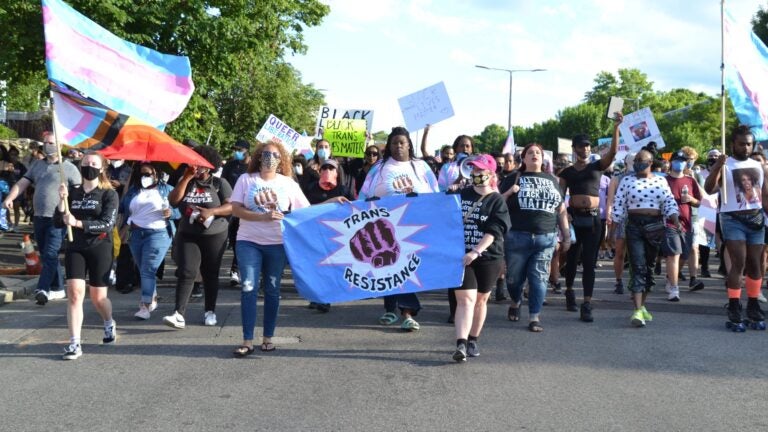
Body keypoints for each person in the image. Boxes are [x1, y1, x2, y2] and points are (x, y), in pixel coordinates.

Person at [230, 140, 310, 357]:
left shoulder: (289, 183)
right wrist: (261, 216)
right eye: (265, 154)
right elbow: (235, 210)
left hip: (276, 244)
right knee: (248, 287)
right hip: (248, 241)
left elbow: (306, 212)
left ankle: (268, 338)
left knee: (273, 290)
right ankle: (247, 341)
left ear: (281, 159)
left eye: (275, 155)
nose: (269, 158)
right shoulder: (246, 180)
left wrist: (332, 202)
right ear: (258, 157)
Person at [359, 126, 439, 331]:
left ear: (409, 145)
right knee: (387, 266)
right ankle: (390, 308)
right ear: (389, 146)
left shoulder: (421, 167)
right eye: (394, 143)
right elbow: (363, 195)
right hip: (386, 227)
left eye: (402, 142)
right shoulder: (379, 167)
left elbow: (436, 194)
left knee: (407, 267)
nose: (398, 146)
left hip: (414, 227)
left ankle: (408, 312)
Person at [2, 132, 81, 305]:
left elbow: (78, 192)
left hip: (58, 218)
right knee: (47, 255)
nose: (47, 145)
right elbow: (23, 183)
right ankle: (59, 288)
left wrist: (72, 211)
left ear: (60, 145)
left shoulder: (69, 168)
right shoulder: (37, 164)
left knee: (51, 253)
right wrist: (9, 198)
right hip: (39, 217)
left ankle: (42, 288)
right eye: (45, 142)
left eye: (51, 142)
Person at [54, 152, 119, 359]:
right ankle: (75, 344)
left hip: (100, 247)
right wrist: (61, 201)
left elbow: (107, 224)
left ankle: (108, 322)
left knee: (98, 298)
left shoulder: (109, 194)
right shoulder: (72, 192)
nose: (88, 166)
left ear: (101, 169)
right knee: (74, 293)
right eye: (85, 163)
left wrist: (79, 223)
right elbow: (57, 221)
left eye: (93, 163)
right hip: (75, 246)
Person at [558, 113, 622, 321]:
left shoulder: (597, 167)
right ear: (574, 149)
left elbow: (612, 153)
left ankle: (587, 303)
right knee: (572, 259)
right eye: (580, 146)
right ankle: (569, 290)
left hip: (594, 221)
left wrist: (616, 127)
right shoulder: (566, 172)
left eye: (587, 146)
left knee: (589, 262)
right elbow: (560, 197)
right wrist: (564, 215)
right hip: (575, 220)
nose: (584, 149)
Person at [705, 125, 768, 331]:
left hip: (756, 218)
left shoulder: (759, 166)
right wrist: (717, 167)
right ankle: (734, 306)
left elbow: (764, 196)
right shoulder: (726, 165)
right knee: (738, 263)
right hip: (732, 218)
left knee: (755, 264)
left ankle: (752, 304)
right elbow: (709, 189)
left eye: (749, 144)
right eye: (742, 144)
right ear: (733, 144)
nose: (746, 148)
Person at [500, 143, 569, 332]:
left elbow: (561, 210)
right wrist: (508, 192)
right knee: (514, 279)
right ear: (523, 159)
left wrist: (567, 235)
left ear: (543, 158)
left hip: (545, 238)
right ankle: (516, 301)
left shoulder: (552, 180)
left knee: (539, 279)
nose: (535, 155)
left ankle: (534, 317)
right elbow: (499, 203)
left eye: (538, 152)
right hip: (516, 237)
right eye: (530, 153)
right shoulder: (513, 178)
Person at [163, 146, 232, 329]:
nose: (196, 167)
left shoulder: (219, 183)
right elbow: (173, 200)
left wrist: (212, 211)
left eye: (200, 164)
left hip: (214, 234)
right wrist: (186, 177)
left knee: (210, 273)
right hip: (188, 233)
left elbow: (231, 207)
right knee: (187, 271)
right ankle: (179, 313)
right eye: (194, 162)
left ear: (209, 166)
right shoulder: (186, 180)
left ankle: (210, 311)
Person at [450, 154, 510, 361]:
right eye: (474, 169)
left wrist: (476, 251)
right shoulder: (461, 194)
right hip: (462, 256)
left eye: (480, 170)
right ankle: (461, 344)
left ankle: (473, 339)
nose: (476, 173)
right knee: (465, 299)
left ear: (491, 173)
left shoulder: (497, 200)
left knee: (480, 300)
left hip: (488, 256)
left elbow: (495, 230)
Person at [612, 149, 679, 327]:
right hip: (634, 226)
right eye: (636, 161)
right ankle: (637, 310)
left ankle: (642, 306)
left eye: (641, 161)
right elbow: (618, 204)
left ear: (650, 162)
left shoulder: (660, 180)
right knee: (638, 266)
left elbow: (669, 202)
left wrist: (675, 220)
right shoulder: (626, 180)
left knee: (649, 268)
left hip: (655, 226)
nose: (638, 164)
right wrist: (613, 230)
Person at [119, 162, 177, 320]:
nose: (145, 177)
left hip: (159, 234)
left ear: (157, 174)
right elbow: (122, 208)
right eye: (141, 174)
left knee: (147, 269)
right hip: (136, 234)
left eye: (148, 174)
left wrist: (170, 213)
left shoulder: (167, 190)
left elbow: (179, 211)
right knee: (142, 268)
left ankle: (144, 305)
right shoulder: (133, 191)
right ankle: (152, 296)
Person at [303, 158, 355, 313]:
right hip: (314, 232)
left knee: (329, 267)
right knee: (314, 266)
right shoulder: (311, 188)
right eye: (324, 167)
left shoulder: (344, 190)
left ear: (337, 172)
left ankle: (326, 298)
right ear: (319, 171)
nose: (327, 171)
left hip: (335, 234)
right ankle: (316, 296)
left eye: (331, 168)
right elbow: (304, 209)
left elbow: (353, 211)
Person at [663, 151, 704, 301]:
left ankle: (670, 278)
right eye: (677, 160)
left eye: (682, 160)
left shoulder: (690, 180)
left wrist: (691, 199)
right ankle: (674, 288)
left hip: (687, 223)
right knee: (674, 254)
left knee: (684, 255)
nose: (679, 163)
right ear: (671, 162)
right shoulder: (663, 180)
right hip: (669, 222)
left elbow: (699, 202)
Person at [221, 139, 252, 286]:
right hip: (230, 206)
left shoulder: (253, 167)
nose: (237, 153)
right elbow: (223, 183)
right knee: (232, 239)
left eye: (240, 150)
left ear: (247, 151)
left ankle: (236, 269)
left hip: (246, 208)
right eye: (235, 150)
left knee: (241, 239)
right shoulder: (230, 165)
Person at [606, 153, 636, 294]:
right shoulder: (617, 179)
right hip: (621, 219)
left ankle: (636, 281)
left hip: (638, 219)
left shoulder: (645, 178)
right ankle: (618, 281)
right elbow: (610, 200)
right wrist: (609, 216)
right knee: (620, 252)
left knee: (637, 254)